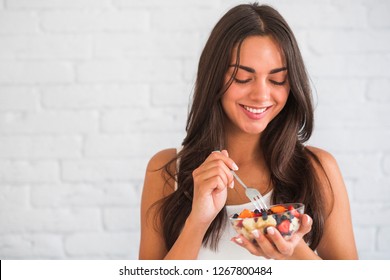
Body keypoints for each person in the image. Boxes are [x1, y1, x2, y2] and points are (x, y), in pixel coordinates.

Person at [139, 3, 358, 260]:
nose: (261, 95)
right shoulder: (166, 171)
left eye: (277, 80)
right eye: (243, 78)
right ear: (215, 78)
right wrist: (197, 221)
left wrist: (293, 251)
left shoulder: (319, 169)